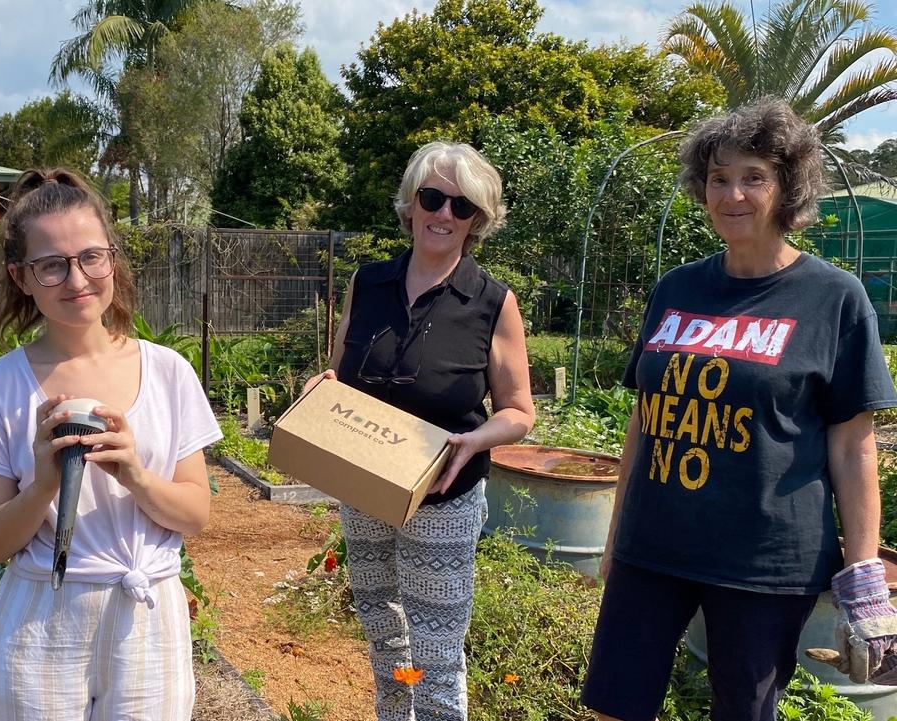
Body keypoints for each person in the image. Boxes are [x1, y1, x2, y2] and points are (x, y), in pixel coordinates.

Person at [581, 99, 897, 721]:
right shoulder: (677, 289)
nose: (733, 195)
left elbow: (853, 446)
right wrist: (616, 538)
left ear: (787, 188)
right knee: (615, 704)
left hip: (764, 562)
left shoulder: (834, 297)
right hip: (654, 545)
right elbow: (645, 422)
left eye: (754, 177)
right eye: (719, 179)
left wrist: (863, 576)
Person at [0, 168, 222, 720]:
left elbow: (196, 514)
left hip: (147, 620)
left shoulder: (168, 373)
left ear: (112, 258)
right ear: (21, 277)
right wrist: (43, 482)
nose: (77, 279)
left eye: (91, 256)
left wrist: (136, 474)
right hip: (39, 626)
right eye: (52, 265)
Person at [304, 140, 535, 721]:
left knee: (435, 653)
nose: (444, 214)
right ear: (411, 204)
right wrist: (319, 391)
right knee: (385, 634)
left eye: (463, 206)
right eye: (433, 198)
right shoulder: (369, 283)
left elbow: (519, 412)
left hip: (444, 496)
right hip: (366, 489)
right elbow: (340, 374)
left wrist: (474, 441)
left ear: (478, 220)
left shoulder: (491, 302)